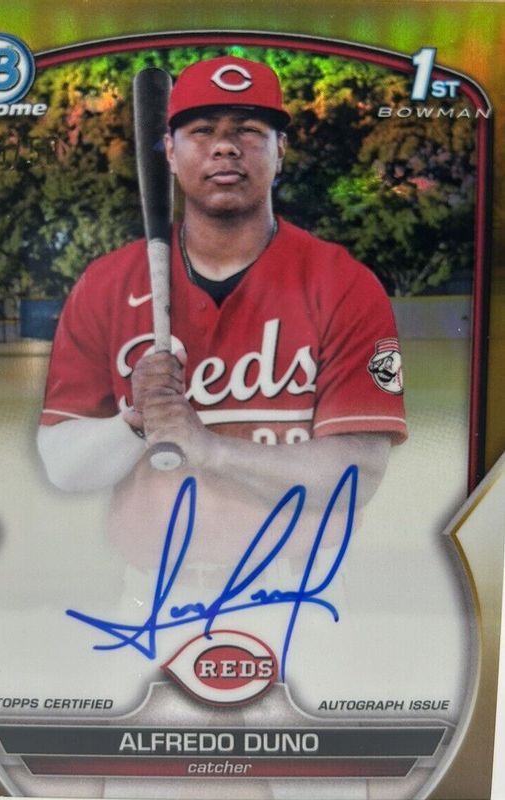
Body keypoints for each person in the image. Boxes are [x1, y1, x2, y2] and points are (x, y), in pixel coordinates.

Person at [37, 54, 407, 572]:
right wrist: (135, 422)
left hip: (301, 586)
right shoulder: (106, 284)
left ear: (281, 149)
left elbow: (358, 476)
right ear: (169, 151)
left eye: (249, 130)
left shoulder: (344, 284)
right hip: (151, 591)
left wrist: (209, 449)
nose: (225, 146)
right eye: (202, 129)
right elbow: (62, 466)